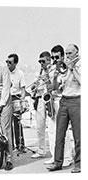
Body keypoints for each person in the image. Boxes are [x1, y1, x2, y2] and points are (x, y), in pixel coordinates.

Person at [47, 44, 81, 173]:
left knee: (78, 135)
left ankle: (79, 164)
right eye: (66, 54)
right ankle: (57, 162)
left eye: (70, 53)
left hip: (76, 100)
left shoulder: (81, 65)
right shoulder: (64, 67)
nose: (67, 56)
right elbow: (55, 87)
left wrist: (72, 69)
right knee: (59, 134)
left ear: (77, 53)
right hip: (64, 100)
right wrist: (55, 76)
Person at [43, 45, 74, 166]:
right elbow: (50, 88)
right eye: (52, 57)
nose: (54, 59)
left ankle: (67, 157)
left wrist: (54, 77)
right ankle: (54, 155)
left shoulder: (65, 69)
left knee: (62, 131)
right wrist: (47, 79)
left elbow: (57, 87)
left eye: (57, 57)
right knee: (51, 130)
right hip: (52, 100)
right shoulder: (51, 69)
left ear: (62, 56)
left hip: (61, 100)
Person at [6, 54, 26, 152]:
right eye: (7, 62)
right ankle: (10, 146)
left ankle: (20, 145)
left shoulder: (20, 73)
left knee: (17, 123)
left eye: (10, 62)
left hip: (16, 98)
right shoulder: (5, 72)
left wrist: (22, 101)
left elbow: (23, 89)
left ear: (15, 63)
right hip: (6, 99)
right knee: (7, 123)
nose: (8, 64)